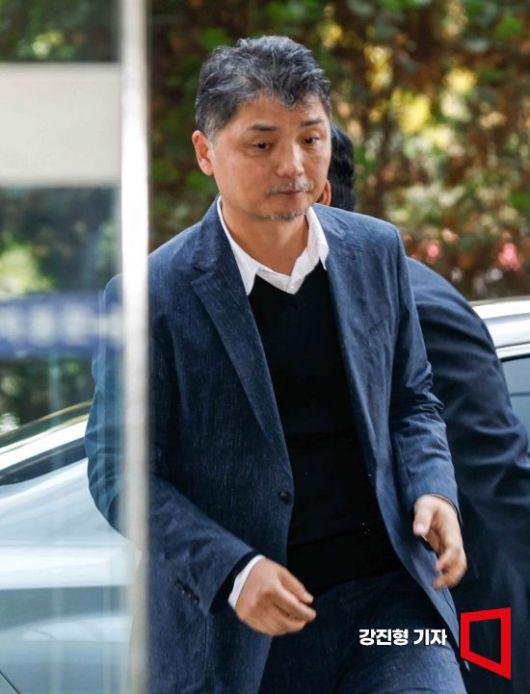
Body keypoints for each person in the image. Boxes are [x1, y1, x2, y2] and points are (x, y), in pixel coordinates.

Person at [85, 36, 468, 694]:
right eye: (261, 144)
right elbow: (119, 472)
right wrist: (233, 571)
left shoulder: (376, 251)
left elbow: (412, 399)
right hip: (242, 632)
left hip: (389, 605)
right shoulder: (151, 298)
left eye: (311, 139)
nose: (293, 166)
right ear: (206, 152)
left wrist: (434, 489)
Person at [322, 124, 530, 693]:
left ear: (318, 194)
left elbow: (500, 479)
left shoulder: (417, 306)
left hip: (462, 622)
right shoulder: (313, 307)